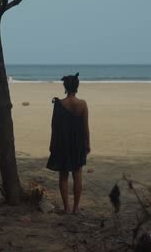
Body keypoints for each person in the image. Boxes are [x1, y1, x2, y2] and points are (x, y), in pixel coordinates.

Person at [47, 72, 90, 214]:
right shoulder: (82, 104)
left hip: (62, 142)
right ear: (77, 87)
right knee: (77, 174)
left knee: (63, 175)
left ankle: (66, 208)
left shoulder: (59, 104)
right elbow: (85, 127)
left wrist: (52, 143)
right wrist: (87, 143)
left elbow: (54, 126)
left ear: (65, 86)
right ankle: (76, 208)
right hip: (78, 142)